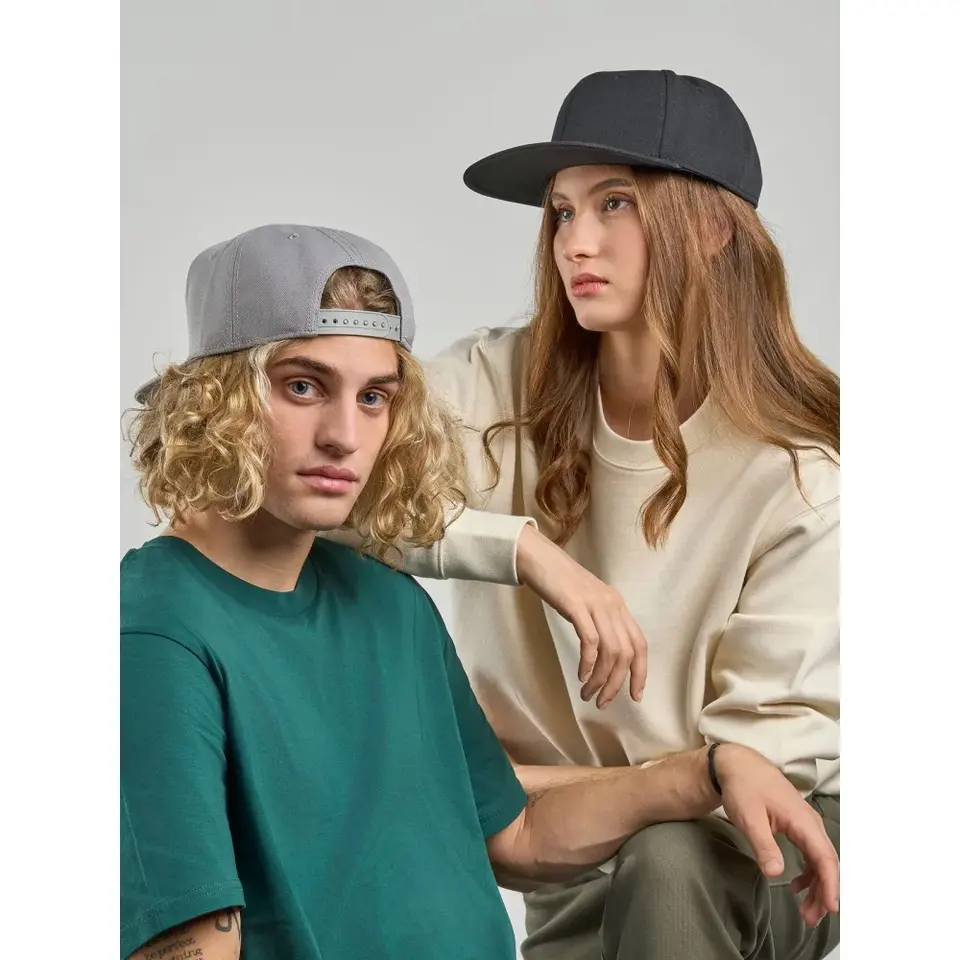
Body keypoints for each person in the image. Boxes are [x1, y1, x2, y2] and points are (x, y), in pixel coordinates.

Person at [120, 224, 838, 960]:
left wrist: (705, 772)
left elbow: (515, 832)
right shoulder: (155, 632)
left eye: (375, 397)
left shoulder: (389, 604)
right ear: (213, 399)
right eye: (302, 386)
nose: (344, 435)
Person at [328, 70, 841, 959]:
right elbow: (311, 482)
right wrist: (524, 551)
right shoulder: (498, 386)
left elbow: (743, 777)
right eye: (562, 212)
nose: (576, 242)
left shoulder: (799, 480)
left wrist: (493, 786)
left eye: (615, 204)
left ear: (713, 227)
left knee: (668, 859)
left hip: (758, 858)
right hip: (564, 854)